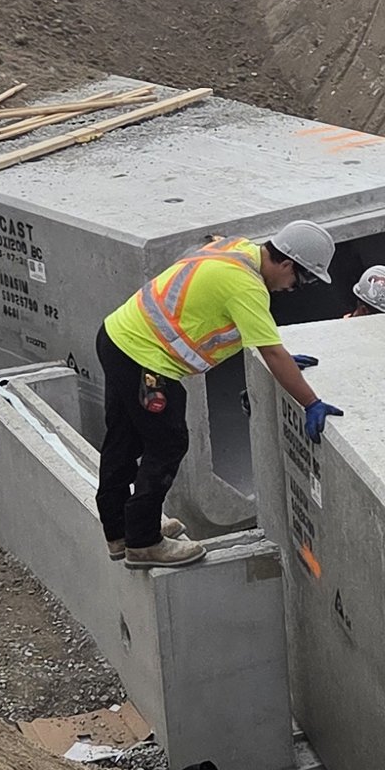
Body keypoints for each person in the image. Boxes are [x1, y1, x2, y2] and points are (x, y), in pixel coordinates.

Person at [94, 217, 344, 569]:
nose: (293, 288)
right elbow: (271, 351)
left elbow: (261, 341)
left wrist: (284, 360)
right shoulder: (247, 287)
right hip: (146, 362)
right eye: (299, 280)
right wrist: (311, 402)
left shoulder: (238, 248)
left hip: (118, 337)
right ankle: (143, 542)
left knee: (124, 439)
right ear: (286, 263)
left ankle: (119, 529)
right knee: (167, 444)